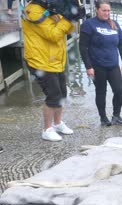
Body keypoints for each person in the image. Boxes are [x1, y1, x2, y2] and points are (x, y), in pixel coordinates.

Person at [22, 0, 76, 142]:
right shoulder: (32, 11)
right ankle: (46, 130)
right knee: (53, 95)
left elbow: (69, 30)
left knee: (62, 94)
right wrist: (68, 19)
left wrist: (70, 16)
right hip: (41, 61)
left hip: (55, 60)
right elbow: (53, 35)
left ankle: (57, 123)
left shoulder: (50, 8)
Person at [80, 0, 122, 126]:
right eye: (104, 10)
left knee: (120, 90)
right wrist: (88, 66)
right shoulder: (89, 24)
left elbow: (121, 44)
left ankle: (116, 116)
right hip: (97, 66)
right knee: (101, 92)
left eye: (108, 11)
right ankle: (103, 118)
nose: (107, 13)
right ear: (97, 10)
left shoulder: (114, 24)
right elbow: (82, 47)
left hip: (113, 65)